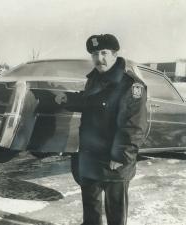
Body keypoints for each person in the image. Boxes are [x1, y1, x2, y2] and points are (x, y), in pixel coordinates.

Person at [55, 34, 148, 225]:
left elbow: (133, 125)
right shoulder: (95, 79)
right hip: (90, 157)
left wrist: (120, 156)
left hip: (114, 160)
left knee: (115, 215)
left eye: (104, 53)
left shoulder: (130, 85)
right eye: (95, 54)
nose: (99, 58)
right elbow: (91, 102)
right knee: (91, 212)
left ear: (115, 54)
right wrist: (68, 99)